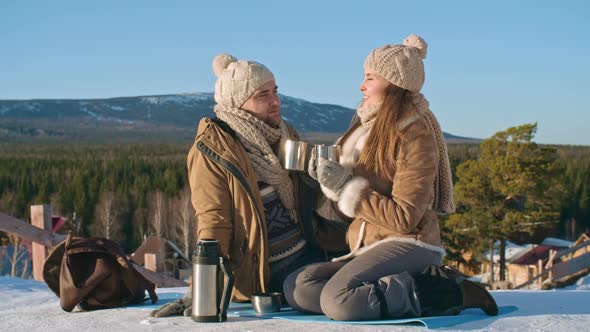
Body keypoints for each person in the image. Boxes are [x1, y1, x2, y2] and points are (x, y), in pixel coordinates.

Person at [283, 34, 498, 320]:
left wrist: (347, 186)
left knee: (338, 302)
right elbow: (351, 204)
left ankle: (451, 290)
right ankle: (392, 290)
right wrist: (324, 181)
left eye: (370, 77)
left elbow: (404, 218)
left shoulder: (414, 134)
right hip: (369, 242)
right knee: (298, 288)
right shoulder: (364, 127)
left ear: (394, 83)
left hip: (410, 241)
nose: (361, 86)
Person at [151, 54, 346, 318]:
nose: (275, 101)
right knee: (307, 290)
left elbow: (304, 207)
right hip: (264, 275)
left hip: (310, 251)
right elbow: (214, 222)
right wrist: (199, 290)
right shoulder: (215, 148)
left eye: (275, 91)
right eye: (262, 95)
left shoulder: (285, 134)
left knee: (374, 244)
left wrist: (320, 181)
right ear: (237, 102)